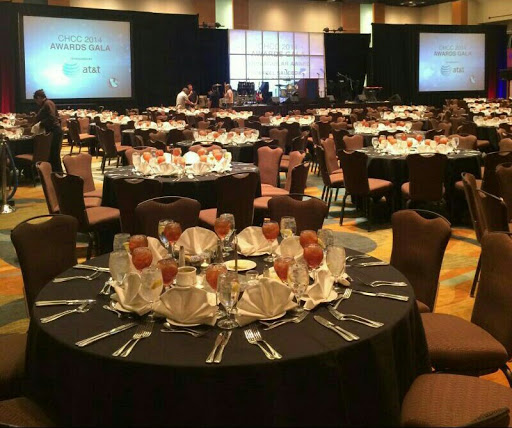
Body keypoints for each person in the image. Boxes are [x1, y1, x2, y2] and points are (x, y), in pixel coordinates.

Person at [33, 89, 63, 173]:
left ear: (39, 97)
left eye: (36, 100)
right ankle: (53, 173)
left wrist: (41, 123)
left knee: (54, 154)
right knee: (52, 154)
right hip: (53, 131)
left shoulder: (47, 103)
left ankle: (58, 173)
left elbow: (51, 118)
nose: (37, 103)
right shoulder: (48, 103)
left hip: (55, 131)